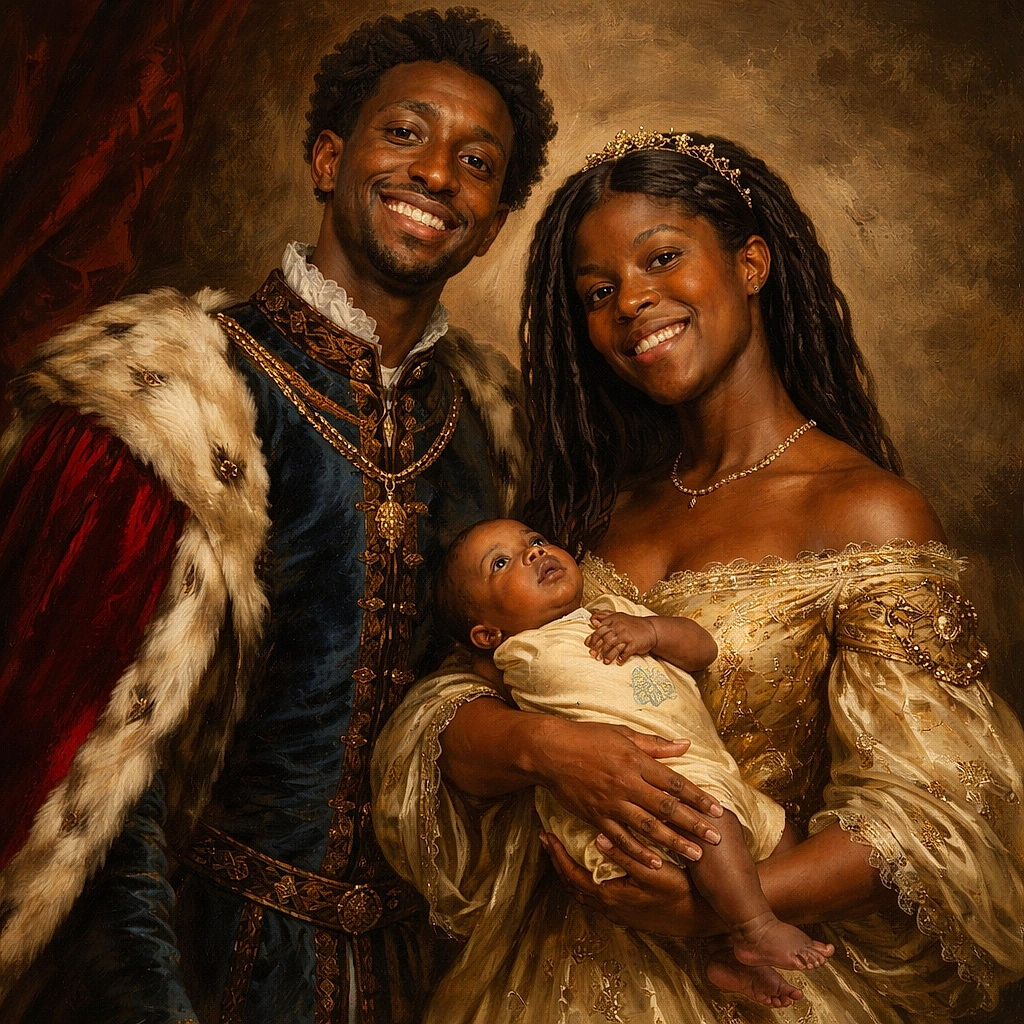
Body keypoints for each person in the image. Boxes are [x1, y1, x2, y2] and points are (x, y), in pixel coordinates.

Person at [372, 129, 1024, 1022]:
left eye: (662, 259)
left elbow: (940, 812)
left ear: (751, 262)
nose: (631, 303)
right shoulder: (589, 509)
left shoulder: (866, 513)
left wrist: (723, 904)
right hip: (542, 976)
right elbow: (448, 709)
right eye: (598, 293)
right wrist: (549, 750)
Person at [0, 9, 557, 1024]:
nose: (437, 173)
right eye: (406, 133)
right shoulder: (165, 391)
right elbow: (92, 783)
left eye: (476, 161)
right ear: (328, 156)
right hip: (199, 967)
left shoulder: (491, 426)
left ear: (496, 217)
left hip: (419, 988)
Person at [435, 516, 835, 1007]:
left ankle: (728, 956)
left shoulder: (612, 611)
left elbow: (702, 649)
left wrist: (650, 630)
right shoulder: (512, 655)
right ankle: (754, 927)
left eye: (534, 541)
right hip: (639, 788)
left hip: (705, 766)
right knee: (711, 828)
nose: (534, 554)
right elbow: (469, 717)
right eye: (501, 563)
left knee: (779, 840)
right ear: (486, 633)